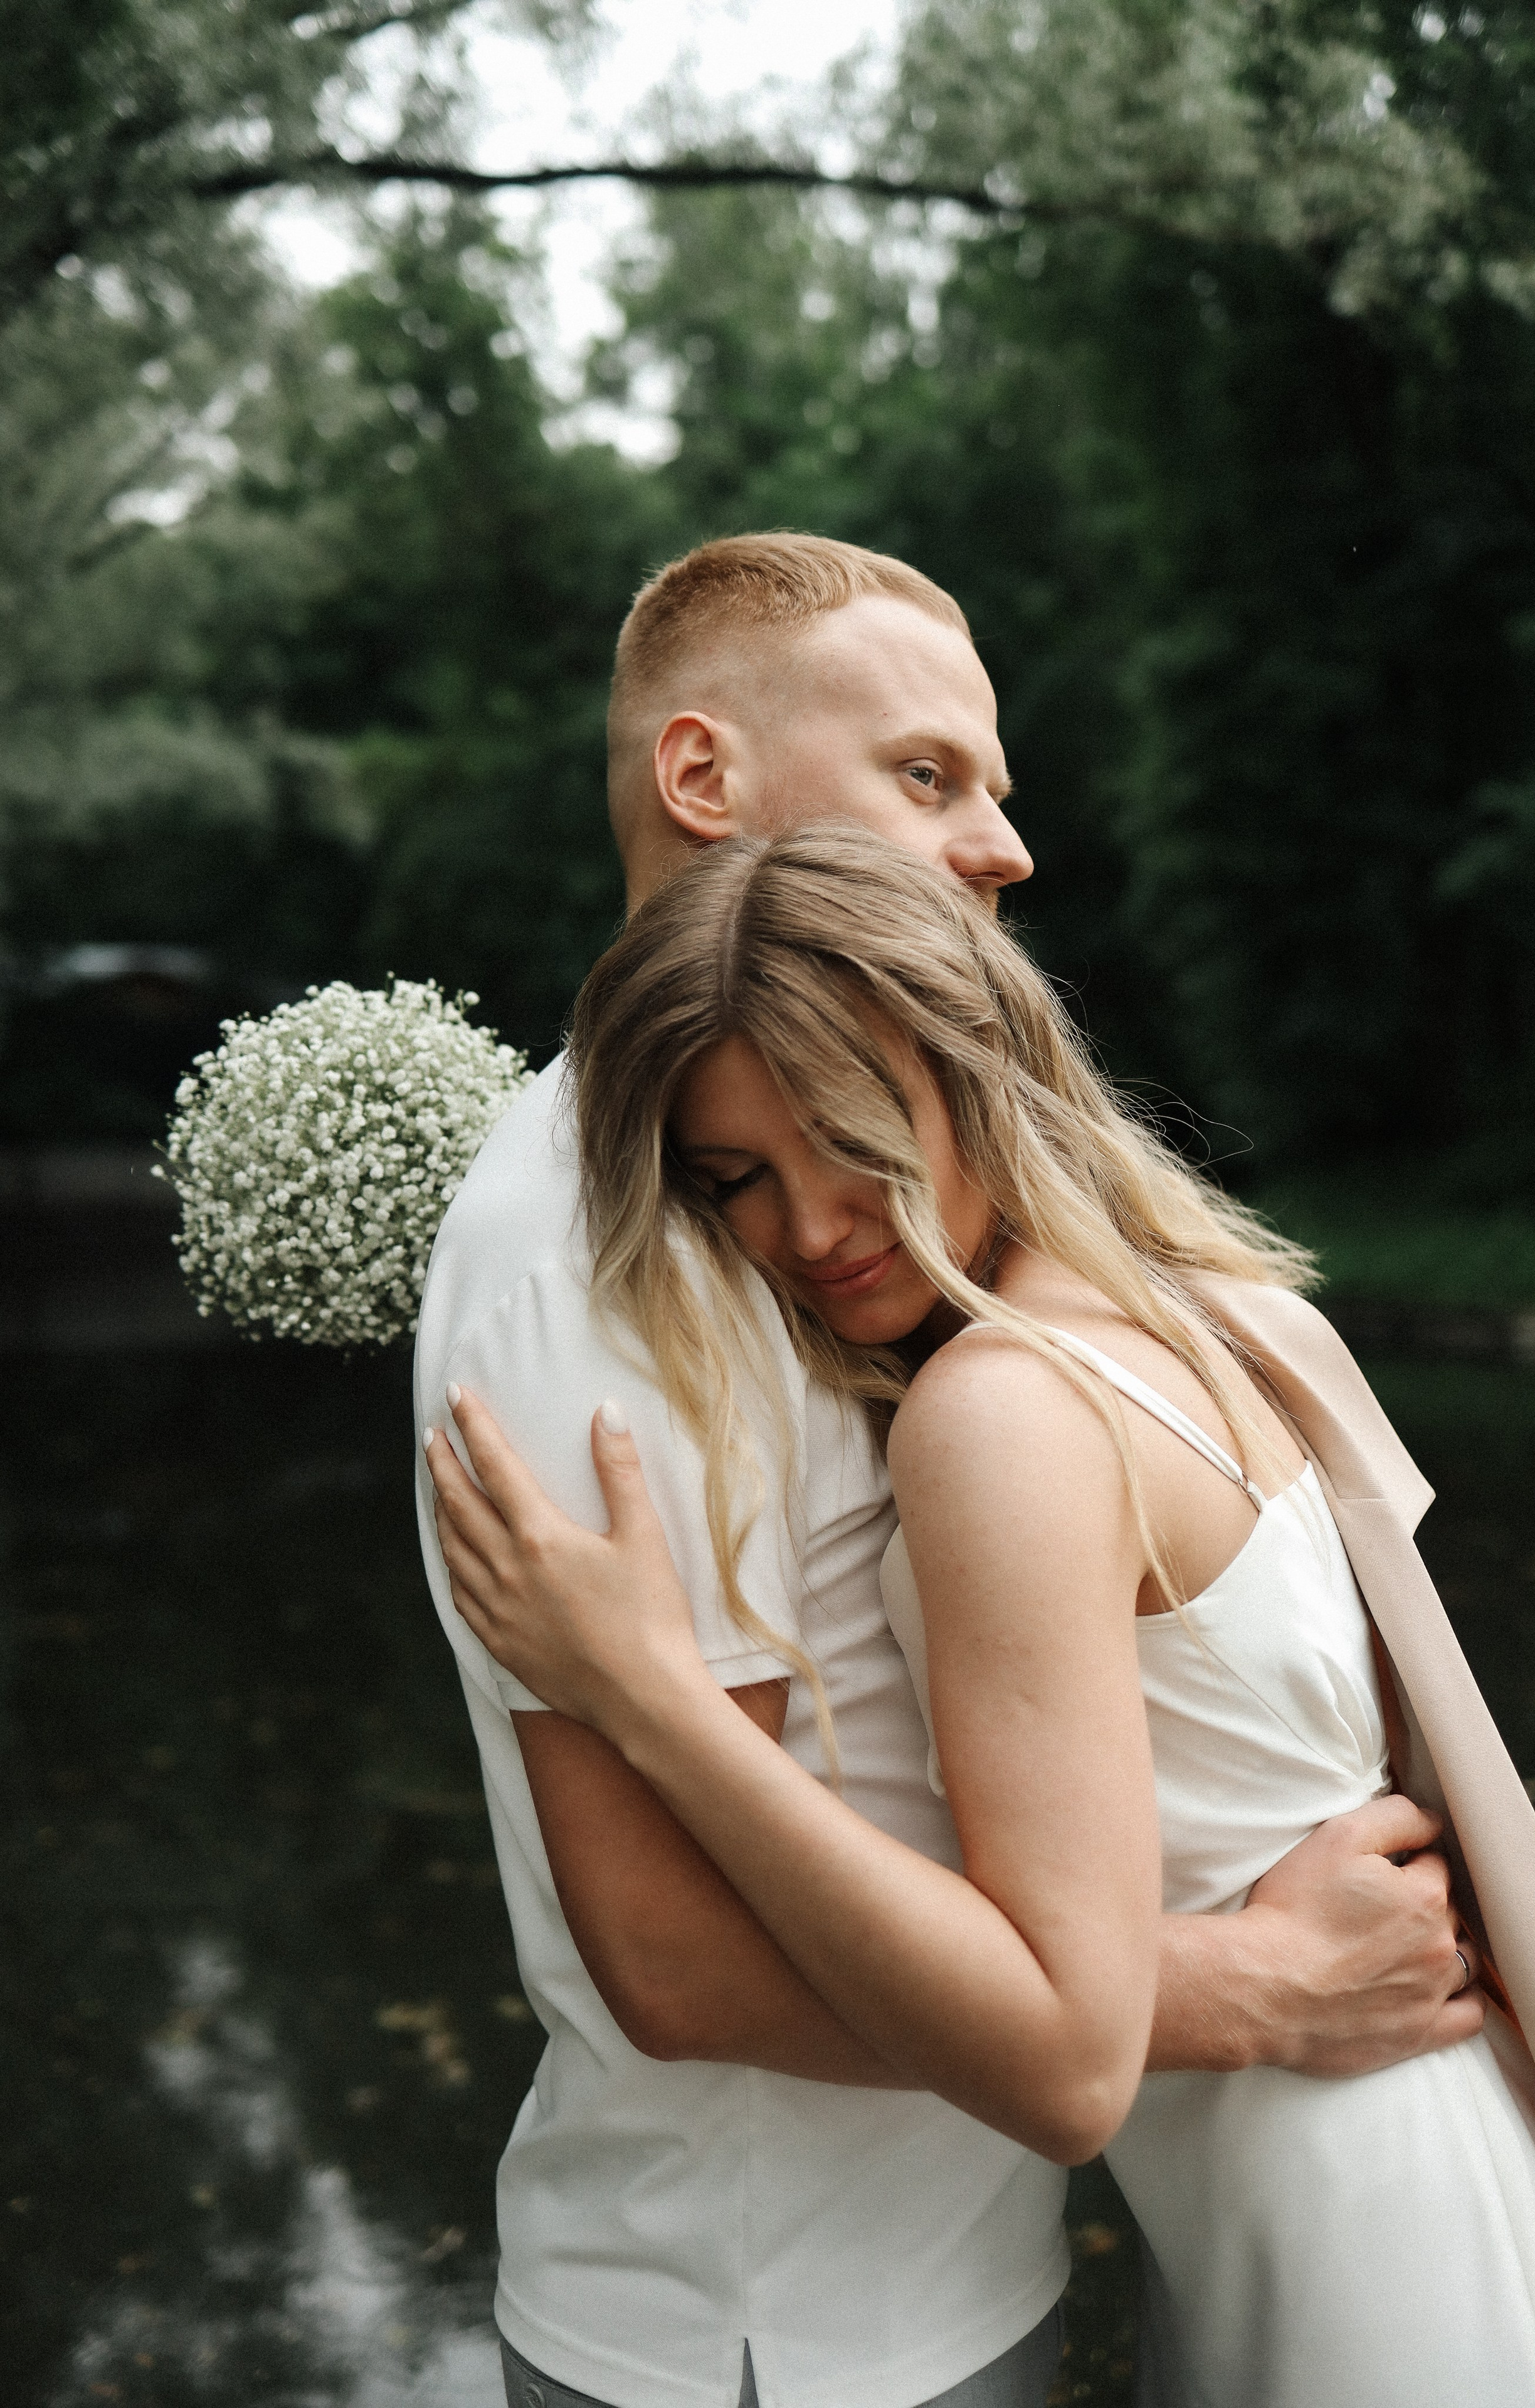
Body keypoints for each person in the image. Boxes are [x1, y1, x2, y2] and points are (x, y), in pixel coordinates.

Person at [413, 535, 1476, 2408]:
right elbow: (661, 1954)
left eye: (991, 786)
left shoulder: (945, 1265)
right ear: (701, 781)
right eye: (929, 777)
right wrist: (1240, 1990)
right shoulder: (587, 1240)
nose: (1003, 847)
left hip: (983, 2254)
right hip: (765, 2326)